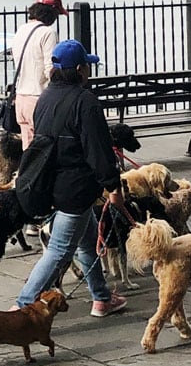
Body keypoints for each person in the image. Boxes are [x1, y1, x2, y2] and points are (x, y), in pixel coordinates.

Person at [14, 38, 128, 318]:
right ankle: (21, 305)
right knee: (59, 251)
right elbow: (97, 149)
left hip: (54, 183)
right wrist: (113, 185)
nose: (89, 72)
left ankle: (101, 298)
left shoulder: (46, 98)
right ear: (79, 69)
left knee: (88, 242)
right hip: (75, 189)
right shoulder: (85, 101)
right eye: (87, 67)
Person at [10, 0, 66, 148]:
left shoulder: (21, 30)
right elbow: (51, 68)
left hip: (21, 98)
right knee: (47, 150)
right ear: (52, 12)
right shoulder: (47, 33)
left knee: (29, 151)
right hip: (40, 98)